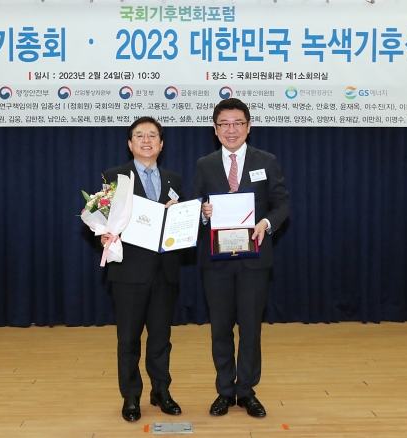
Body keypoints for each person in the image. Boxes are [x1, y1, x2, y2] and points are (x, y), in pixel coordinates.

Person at [192, 98, 290, 418]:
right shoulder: (204, 164)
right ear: (215, 129)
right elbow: (193, 209)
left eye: (238, 123)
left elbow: (281, 206)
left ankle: (246, 391)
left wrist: (265, 223)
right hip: (216, 262)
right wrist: (204, 214)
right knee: (220, 328)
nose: (231, 130)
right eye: (225, 124)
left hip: (254, 260)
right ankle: (224, 390)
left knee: (250, 328)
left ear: (249, 126)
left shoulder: (267, 160)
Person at [101, 116, 183, 422]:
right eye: (140, 135)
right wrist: (104, 233)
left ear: (161, 144)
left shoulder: (175, 179)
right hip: (129, 272)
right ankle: (131, 396)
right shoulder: (115, 177)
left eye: (152, 135)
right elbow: (104, 220)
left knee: (161, 338)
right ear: (130, 144)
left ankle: (161, 391)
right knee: (129, 339)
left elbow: (180, 226)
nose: (146, 140)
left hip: (166, 271)